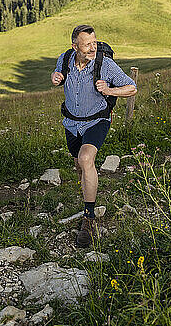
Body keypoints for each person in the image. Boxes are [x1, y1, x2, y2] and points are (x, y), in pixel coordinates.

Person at [51, 24, 137, 248]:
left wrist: (109, 90)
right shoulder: (66, 58)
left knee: (86, 159)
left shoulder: (105, 65)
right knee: (80, 166)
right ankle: (87, 197)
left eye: (94, 42)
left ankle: (88, 218)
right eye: (87, 44)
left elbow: (132, 88)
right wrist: (55, 76)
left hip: (97, 120)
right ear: (74, 46)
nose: (92, 48)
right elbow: (57, 72)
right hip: (71, 123)